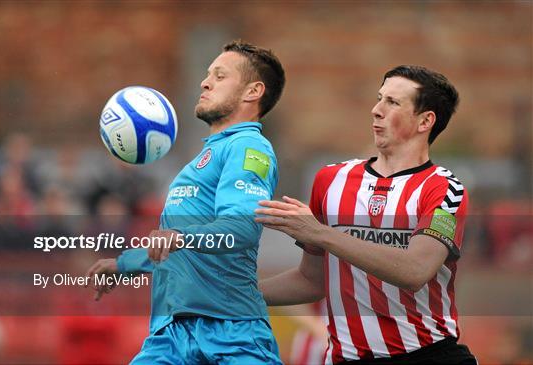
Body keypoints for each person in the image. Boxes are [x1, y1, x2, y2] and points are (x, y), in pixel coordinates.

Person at [256, 65, 477, 365]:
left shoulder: (445, 189)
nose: (376, 110)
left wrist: (319, 232)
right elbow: (312, 280)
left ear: (425, 121)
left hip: (428, 356)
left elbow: (414, 271)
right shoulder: (330, 180)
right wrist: (234, 294)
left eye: (393, 102)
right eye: (379, 98)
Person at [86, 40, 285, 364]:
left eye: (220, 76)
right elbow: (181, 248)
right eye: (208, 75)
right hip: (169, 335)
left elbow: (242, 228)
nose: (205, 83)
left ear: (253, 92)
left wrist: (180, 237)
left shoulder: (249, 147)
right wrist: (125, 264)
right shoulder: (199, 162)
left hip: (231, 333)